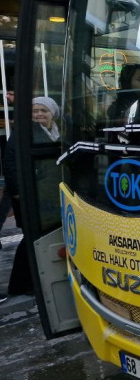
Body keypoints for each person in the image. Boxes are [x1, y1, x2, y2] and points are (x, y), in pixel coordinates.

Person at [0, 96, 62, 302]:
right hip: (30, 196)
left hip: (51, 195)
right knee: (31, 238)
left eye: (43, 111)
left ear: (52, 113)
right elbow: (10, 162)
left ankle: (36, 279)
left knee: (44, 237)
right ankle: (19, 285)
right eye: (34, 111)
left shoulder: (58, 132)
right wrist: (18, 192)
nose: (38, 115)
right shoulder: (23, 134)